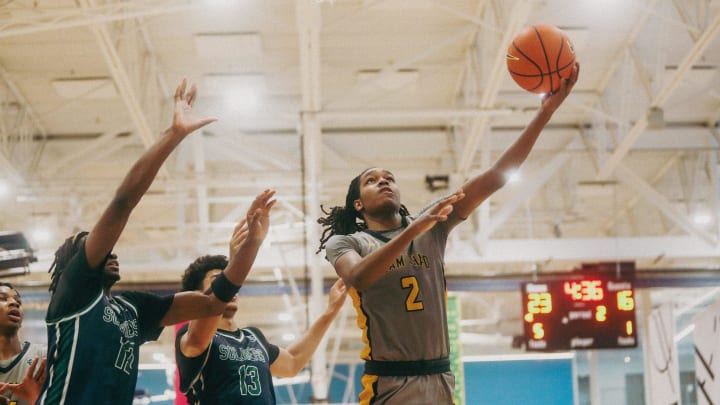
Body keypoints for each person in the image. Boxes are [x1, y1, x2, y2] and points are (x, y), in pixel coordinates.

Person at [316, 63, 580, 404]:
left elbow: (497, 175)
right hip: (390, 384)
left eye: (390, 177)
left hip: (441, 379)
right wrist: (414, 229)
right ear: (357, 205)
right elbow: (359, 278)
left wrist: (545, 113)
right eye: (372, 180)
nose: (384, 181)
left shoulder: (432, 223)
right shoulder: (348, 242)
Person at [36, 79, 276, 405]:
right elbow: (122, 204)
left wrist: (250, 248)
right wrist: (174, 134)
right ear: (72, 266)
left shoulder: (132, 308)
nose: (109, 249)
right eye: (90, 244)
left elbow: (211, 304)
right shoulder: (74, 293)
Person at [175, 217, 348, 405]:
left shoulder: (253, 336)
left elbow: (293, 362)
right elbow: (198, 337)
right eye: (218, 280)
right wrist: (235, 262)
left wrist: (330, 311)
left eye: (230, 281)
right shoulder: (190, 335)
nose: (230, 288)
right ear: (198, 295)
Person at [0, 283, 46, 405]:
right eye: (3, 298)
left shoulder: (43, 358)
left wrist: (37, 400)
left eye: (18, 301)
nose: (14, 303)